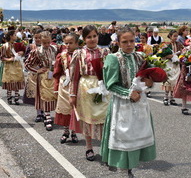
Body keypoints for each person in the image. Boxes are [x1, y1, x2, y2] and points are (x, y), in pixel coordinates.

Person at [100, 27, 156, 178]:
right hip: (122, 104)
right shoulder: (113, 58)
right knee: (123, 137)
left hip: (140, 103)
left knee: (137, 134)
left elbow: (148, 78)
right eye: (125, 42)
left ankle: (130, 169)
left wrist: (150, 82)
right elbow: (110, 84)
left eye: (132, 41)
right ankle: (123, 171)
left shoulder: (140, 57)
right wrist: (128, 93)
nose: (129, 44)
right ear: (118, 42)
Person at [69, 25, 110, 161]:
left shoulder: (105, 52)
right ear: (84, 39)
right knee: (87, 118)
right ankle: (89, 146)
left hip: (102, 87)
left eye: (94, 36)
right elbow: (74, 76)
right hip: (85, 88)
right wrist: (72, 95)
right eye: (89, 37)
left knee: (104, 117)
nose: (92, 39)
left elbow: (110, 73)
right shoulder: (78, 53)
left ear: (98, 36)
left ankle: (105, 148)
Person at [25, 31, 58, 131]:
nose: (47, 45)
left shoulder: (54, 49)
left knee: (52, 95)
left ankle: (49, 115)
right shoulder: (37, 51)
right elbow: (27, 64)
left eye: (48, 42)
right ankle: (47, 117)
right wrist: (37, 70)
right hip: (43, 76)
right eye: (44, 43)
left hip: (53, 74)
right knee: (45, 96)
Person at [53, 33, 79, 143]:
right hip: (64, 85)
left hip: (77, 84)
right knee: (65, 108)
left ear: (77, 43)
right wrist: (55, 87)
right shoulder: (62, 56)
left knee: (75, 108)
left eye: (70, 43)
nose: (68, 45)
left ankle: (73, 131)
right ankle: (65, 131)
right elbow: (57, 73)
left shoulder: (80, 55)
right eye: (66, 43)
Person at [174, 35, 191, 115]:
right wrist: (187, 62)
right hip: (187, 72)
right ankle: (184, 107)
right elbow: (181, 59)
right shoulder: (187, 49)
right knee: (185, 89)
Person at [23, 30, 44, 122]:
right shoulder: (31, 47)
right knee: (36, 94)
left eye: (40, 37)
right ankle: (39, 113)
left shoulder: (49, 47)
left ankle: (45, 112)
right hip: (34, 73)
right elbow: (26, 59)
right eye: (36, 38)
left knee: (45, 93)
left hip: (45, 74)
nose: (38, 39)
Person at [0, 30, 25, 105]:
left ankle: (16, 97)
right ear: (11, 36)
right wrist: (9, 59)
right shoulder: (4, 46)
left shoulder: (17, 44)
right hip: (9, 66)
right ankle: (9, 97)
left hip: (17, 65)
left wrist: (22, 53)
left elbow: (23, 51)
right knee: (10, 81)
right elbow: (2, 57)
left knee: (17, 80)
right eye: (14, 35)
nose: (16, 36)